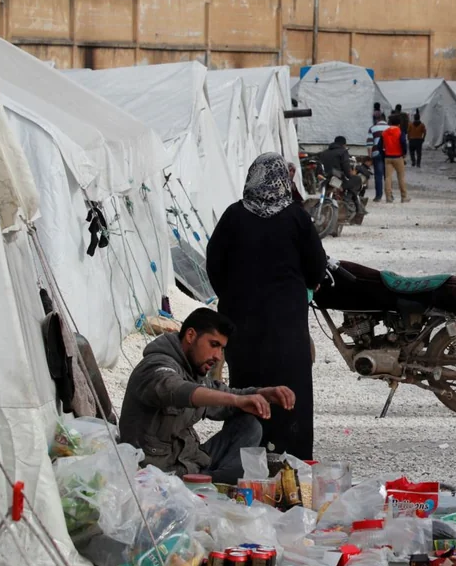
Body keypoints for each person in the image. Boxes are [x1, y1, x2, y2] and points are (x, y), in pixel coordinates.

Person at [206, 153, 327, 460]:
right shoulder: (297, 217)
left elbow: (214, 265)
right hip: (286, 324)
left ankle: (247, 458)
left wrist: (233, 296)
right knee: (291, 389)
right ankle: (294, 460)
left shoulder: (234, 215)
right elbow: (316, 266)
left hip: (241, 321)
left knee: (247, 388)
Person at [118, 309, 295, 484]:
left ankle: (215, 484)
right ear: (190, 335)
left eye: (222, 349)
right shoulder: (155, 366)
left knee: (248, 426)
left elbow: (223, 395)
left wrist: (262, 394)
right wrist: (236, 400)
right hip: (160, 476)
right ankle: (212, 487)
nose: (218, 356)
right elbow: (178, 389)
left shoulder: (193, 370)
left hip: (191, 462)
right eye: (213, 345)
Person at [316, 136, 366, 215]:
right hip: (337, 180)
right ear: (344, 144)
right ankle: (349, 200)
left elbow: (319, 168)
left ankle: (353, 205)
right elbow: (346, 168)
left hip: (325, 179)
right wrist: (350, 175)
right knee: (357, 180)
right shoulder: (343, 152)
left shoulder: (324, 152)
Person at [378, 116, 409, 203]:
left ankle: (388, 197)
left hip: (388, 157)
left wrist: (383, 154)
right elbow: (403, 142)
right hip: (398, 157)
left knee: (388, 178)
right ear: (399, 124)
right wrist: (404, 153)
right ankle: (404, 197)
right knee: (401, 177)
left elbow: (379, 146)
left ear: (389, 123)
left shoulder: (384, 132)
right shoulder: (400, 132)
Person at [367, 116, 390, 202]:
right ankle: (389, 196)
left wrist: (370, 156)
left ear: (377, 120)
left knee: (378, 176)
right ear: (385, 119)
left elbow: (369, 143)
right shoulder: (390, 128)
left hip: (376, 153)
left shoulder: (373, 128)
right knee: (388, 175)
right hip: (388, 153)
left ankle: (378, 196)